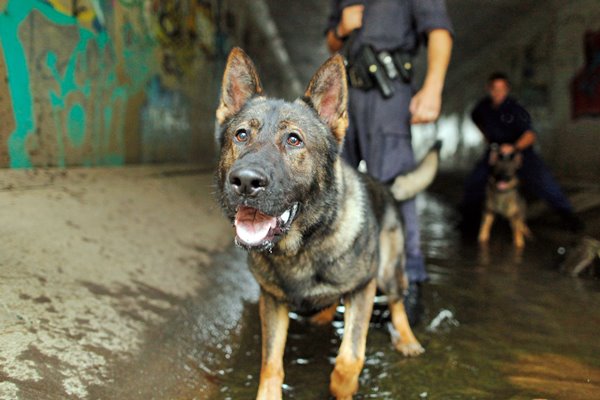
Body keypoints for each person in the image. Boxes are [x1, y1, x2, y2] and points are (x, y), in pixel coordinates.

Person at [325, 0, 453, 325]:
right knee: (337, 187)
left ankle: (406, 284)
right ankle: (336, 282)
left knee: (396, 190)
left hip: (389, 93)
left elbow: (439, 31)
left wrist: (433, 88)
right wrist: (341, 28)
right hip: (347, 93)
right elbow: (331, 42)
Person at [460, 72, 583, 232]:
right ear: (488, 89)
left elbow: (530, 135)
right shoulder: (482, 107)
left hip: (521, 152)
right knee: (476, 181)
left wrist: (514, 148)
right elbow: (476, 119)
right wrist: (491, 143)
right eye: (494, 89)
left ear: (507, 90)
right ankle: (468, 222)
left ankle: (569, 217)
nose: (498, 93)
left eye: (502, 89)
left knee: (543, 180)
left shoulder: (516, 109)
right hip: (496, 153)